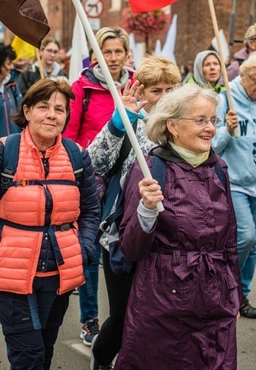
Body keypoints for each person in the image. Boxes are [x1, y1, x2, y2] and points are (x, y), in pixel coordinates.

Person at [0, 79, 100, 370]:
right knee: (28, 356)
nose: (52, 114)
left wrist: (84, 249)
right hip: (12, 271)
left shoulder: (77, 155)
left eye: (59, 109)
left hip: (59, 273)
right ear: (28, 110)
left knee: (44, 352)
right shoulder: (3, 150)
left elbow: (91, 209)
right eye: (44, 107)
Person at [115, 84, 242, 369]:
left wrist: (234, 293)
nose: (210, 128)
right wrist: (146, 210)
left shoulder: (219, 168)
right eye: (200, 120)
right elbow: (131, 248)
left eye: (212, 120)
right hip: (162, 299)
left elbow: (229, 240)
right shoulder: (149, 169)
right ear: (172, 125)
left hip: (214, 296)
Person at [86, 56, 181, 369]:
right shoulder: (130, 123)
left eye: (170, 89)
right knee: (125, 316)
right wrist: (118, 122)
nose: (164, 97)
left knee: (160, 316)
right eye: (156, 90)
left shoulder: (185, 126)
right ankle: (101, 358)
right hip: (124, 235)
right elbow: (93, 163)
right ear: (142, 92)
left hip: (168, 237)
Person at [63, 26, 134, 346]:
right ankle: (90, 319)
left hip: (131, 178)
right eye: (107, 52)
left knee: (126, 247)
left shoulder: (137, 83)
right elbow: (70, 136)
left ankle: (127, 316)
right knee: (91, 249)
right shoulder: (83, 88)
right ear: (96, 56)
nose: (114, 57)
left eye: (119, 51)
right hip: (93, 178)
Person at [213, 51, 256, 320]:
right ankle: (228, 287)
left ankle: (243, 294)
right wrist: (226, 130)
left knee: (253, 247)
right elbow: (211, 147)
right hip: (234, 182)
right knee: (246, 237)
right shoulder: (224, 100)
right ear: (243, 76)